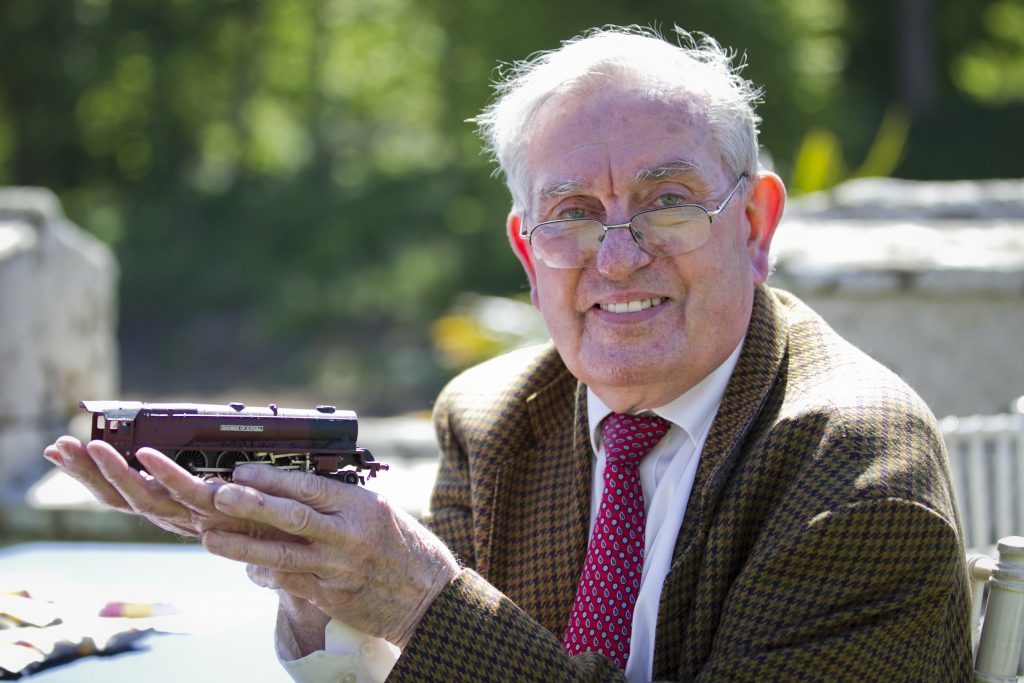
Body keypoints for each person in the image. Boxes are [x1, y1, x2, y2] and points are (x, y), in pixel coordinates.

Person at [44, 25, 972, 682]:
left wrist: (419, 599)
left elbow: (444, 630)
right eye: (571, 214)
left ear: (759, 224)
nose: (619, 256)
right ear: (529, 253)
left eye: (668, 200)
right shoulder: (492, 416)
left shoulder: (860, 473)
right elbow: (438, 664)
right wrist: (313, 581)